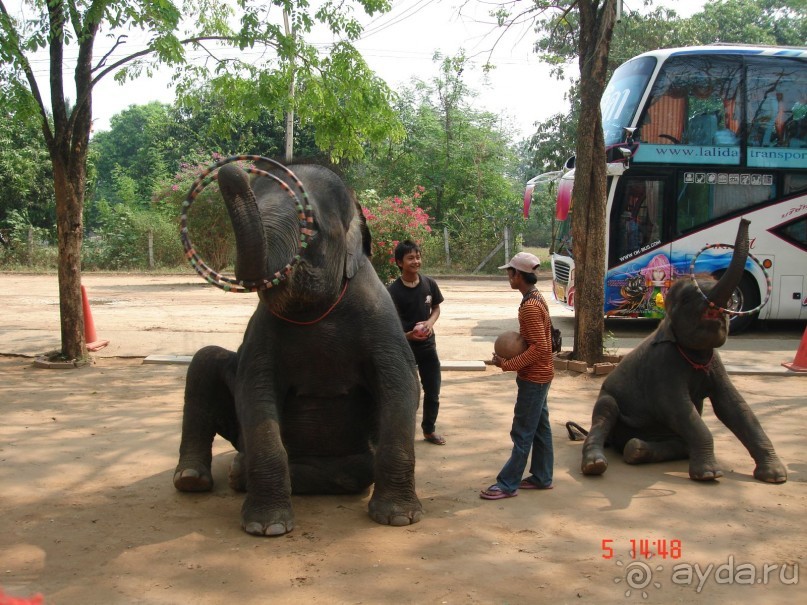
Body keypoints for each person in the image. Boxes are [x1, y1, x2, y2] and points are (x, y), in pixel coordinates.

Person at [481, 251, 554, 499]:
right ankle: (543, 476)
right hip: (542, 374)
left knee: (522, 431)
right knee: (540, 429)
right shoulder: (535, 298)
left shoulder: (530, 307)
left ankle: (507, 483)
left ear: (519, 275)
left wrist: (507, 363)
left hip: (534, 377)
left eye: (510, 272)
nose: (508, 277)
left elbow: (541, 347)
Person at [388, 240, 446, 445]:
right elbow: (389, 328)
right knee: (406, 394)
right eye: (410, 258)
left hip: (428, 349)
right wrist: (408, 336)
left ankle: (429, 431)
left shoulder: (429, 284)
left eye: (418, 256)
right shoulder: (392, 292)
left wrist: (430, 323)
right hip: (404, 350)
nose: (416, 261)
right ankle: (401, 434)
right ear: (399, 263)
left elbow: (437, 307)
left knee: (433, 391)